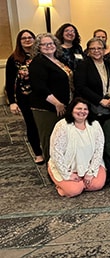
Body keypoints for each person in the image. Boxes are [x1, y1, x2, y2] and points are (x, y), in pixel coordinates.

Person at [48, 98, 106, 197]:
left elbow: (99, 149)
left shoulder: (95, 125)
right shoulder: (62, 126)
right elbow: (56, 152)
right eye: (78, 108)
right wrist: (68, 174)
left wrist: (91, 172)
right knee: (74, 191)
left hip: (88, 165)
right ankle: (66, 185)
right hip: (68, 166)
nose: (82, 112)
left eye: (85, 109)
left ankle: (80, 184)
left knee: (97, 184)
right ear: (71, 110)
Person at [29, 33, 73, 163]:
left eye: (51, 43)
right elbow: (39, 87)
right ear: (38, 47)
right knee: (50, 139)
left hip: (63, 105)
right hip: (47, 108)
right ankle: (52, 167)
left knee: (61, 138)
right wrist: (57, 103)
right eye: (44, 44)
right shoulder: (38, 63)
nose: (49, 46)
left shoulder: (58, 60)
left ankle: (62, 165)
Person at [5, 29, 44, 164]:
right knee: (31, 124)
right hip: (25, 97)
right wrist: (12, 102)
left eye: (30, 37)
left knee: (43, 124)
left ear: (35, 40)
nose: (27, 40)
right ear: (19, 42)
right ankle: (38, 153)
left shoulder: (41, 56)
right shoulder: (14, 59)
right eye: (24, 38)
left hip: (42, 96)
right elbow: (9, 82)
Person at [75, 38, 110, 124]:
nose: (96, 51)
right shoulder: (83, 66)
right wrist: (100, 100)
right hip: (93, 109)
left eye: (99, 48)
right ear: (88, 51)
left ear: (104, 50)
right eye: (93, 48)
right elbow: (81, 87)